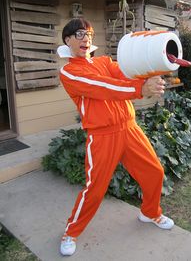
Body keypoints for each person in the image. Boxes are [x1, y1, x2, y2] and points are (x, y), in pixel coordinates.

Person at [59, 17, 174, 256]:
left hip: (129, 128)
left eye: (89, 34)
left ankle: (150, 212)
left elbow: (123, 75)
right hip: (102, 136)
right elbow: (103, 86)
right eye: (79, 34)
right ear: (67, 40)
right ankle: (71, 232)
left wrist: (147, 78)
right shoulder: (69, 72)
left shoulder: (103, 61)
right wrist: (141, 89)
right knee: (95, 189)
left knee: (155, 172)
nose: (86, 38)